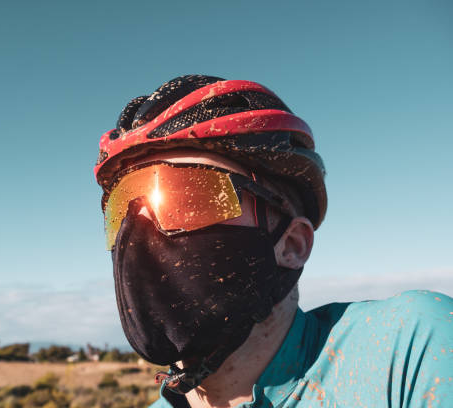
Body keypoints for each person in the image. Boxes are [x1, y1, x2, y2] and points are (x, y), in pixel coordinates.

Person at [94, 75, 452, 407]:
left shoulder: (406, 352)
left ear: (292, 244)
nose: (137, 226)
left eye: (191, 198)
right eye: (119, 209)